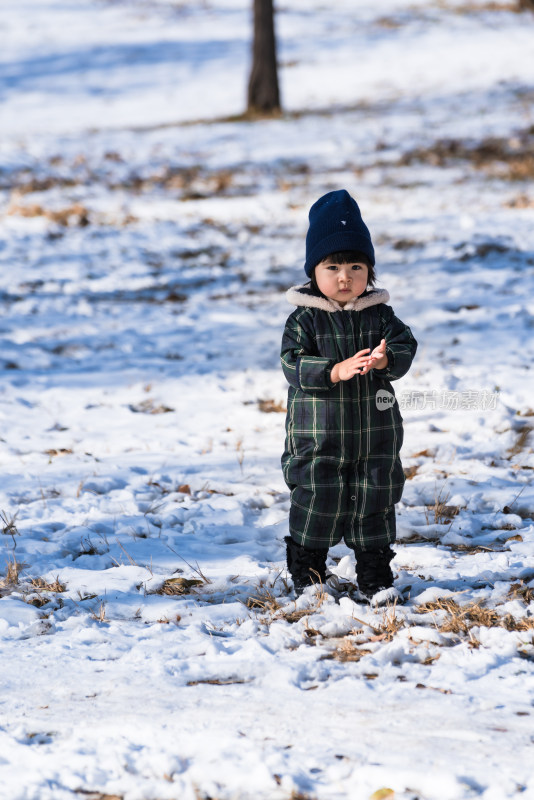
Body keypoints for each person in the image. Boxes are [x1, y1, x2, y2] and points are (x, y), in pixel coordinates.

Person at [281, 189, 417, 604]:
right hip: (318, 436)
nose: (345, 277)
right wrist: (334, 370)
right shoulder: (304, 318)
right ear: (314, 272)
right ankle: (309, 575)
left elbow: (406, 346)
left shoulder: (380, 315)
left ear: (369, 272)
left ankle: (375, 575)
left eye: (356, 266)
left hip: (374, 435)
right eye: (333, 266)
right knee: (316, 498)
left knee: (374, 499)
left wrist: (385, 359)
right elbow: (291, 362)